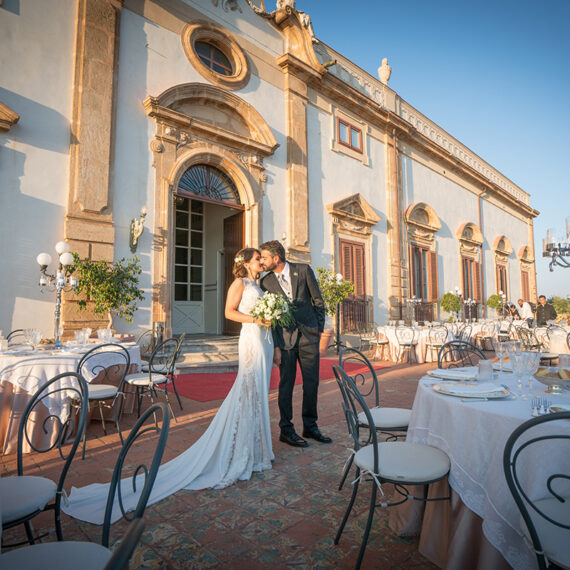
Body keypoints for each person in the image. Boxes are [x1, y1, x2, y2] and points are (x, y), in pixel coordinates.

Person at [64, 248, 279, 525]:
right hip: (251, 337)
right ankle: (243, 452)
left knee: (259, 392)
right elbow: (229, 312)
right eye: (257, 258)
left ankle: (258, 451)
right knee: (248, 389)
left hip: (264, 338)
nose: (261, 261)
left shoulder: (258, 284)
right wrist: (256, 319)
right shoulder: (239, 283)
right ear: (247, 262)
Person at [259, 240, 331, 448]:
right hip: (285, 340)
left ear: (276, 258)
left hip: (308, 337)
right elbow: (270, 317)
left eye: (264, 257)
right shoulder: (266, 283)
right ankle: (286, 430)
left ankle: (310, 426)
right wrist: (276, 346)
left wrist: (317, 330)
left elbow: (318, 301)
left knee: (312, 383)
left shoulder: (303, 270)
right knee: (286, 386)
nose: (262, 261)